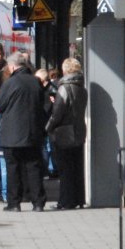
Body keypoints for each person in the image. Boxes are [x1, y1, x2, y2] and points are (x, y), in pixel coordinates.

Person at [0, 50, 47, 211]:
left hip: (12, 134)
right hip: (33, 132)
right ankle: (38, 203)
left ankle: (14, 203)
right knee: (33, 167)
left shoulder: (11, 83)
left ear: (13, 66)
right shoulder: (36, 82)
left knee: (13, 168)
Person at [47, 58, 87, 210]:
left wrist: (48, 127)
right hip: (79, 130)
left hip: (64, 132)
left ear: (65, 70)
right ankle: (78, 199)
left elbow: (57, 113)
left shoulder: (64, 88)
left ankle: (65, 201)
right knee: (77, 166)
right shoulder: (81, 88)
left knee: (65, 169)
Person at [35, 68, 58, 177]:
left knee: (47, 147)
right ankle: (51, 169)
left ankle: (50, 169)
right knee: (49, 147)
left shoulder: (50, 91)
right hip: (48, 122)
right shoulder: (51, 89)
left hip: (47, 122)